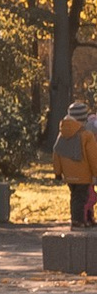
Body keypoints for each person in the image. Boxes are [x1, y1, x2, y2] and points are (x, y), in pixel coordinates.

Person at [58, 92, 97, 229]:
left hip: (69, 174)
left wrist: (58, 172)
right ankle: (79, 221)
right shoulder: (87, 135)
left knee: (76, 197)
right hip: (84, 174)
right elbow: (93, 156)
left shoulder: (62, 134)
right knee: (83, 198)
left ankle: (81, 219)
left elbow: (57, 154)